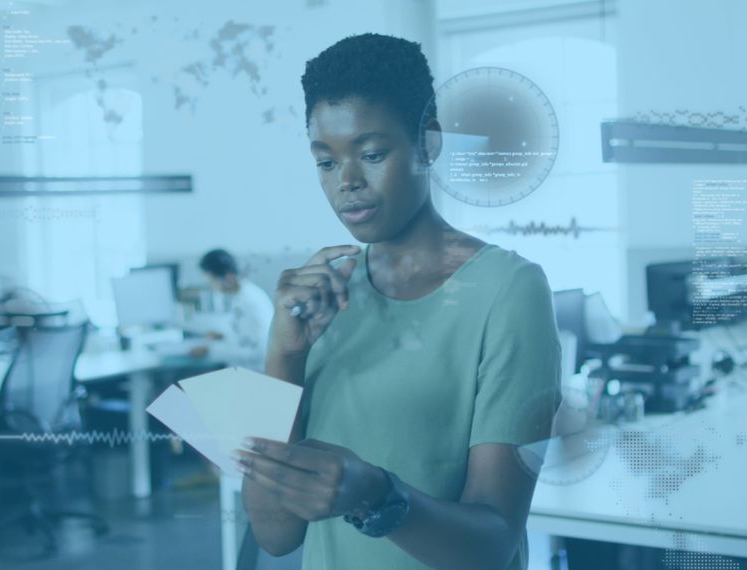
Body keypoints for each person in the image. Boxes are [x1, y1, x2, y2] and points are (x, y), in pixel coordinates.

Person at [236, 33, 563, 570]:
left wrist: (377, 496)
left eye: (370, 153)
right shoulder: (322, 299)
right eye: (325, 162)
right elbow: (275, 534)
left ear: (427, 144)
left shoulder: (509, 290)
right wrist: (283, 357)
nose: (348, 182)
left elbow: (494, 542)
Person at [189, 248, 274, 372]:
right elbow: (243, 334)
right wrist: (224, 335)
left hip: (253, 375)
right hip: (243, 372)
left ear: (228, 277)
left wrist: (210, 351)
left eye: (213, 282)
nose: (213, 287)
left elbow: (257, 351)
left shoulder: (249, 302)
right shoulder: (242, 295)